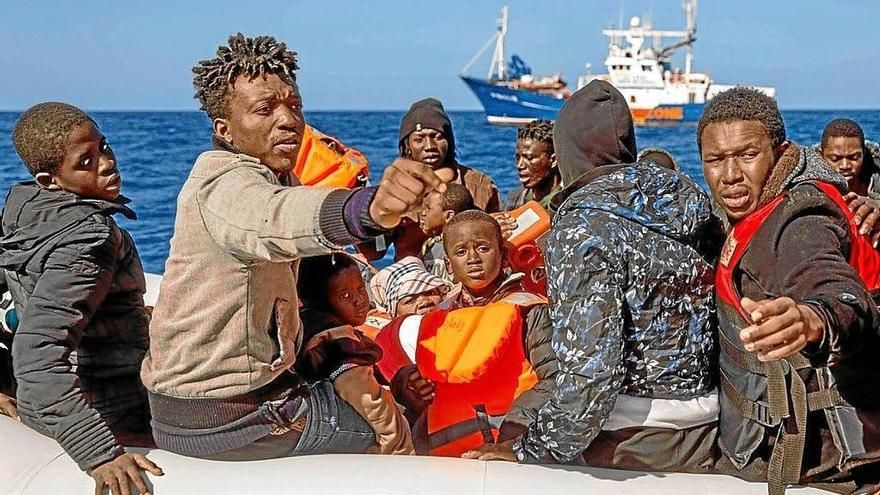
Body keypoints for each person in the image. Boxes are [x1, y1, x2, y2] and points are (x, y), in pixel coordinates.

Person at [140, 33, 443, 461]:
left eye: (294, 106)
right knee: (393, 423)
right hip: (225, 416)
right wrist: (369, 206)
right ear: (224, 130)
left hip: (219, 397)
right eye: (265, 109)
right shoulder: (223, 184)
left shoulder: (279, 176)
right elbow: (274, 218)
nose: (289, 121)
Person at [466, 81, 722, 474]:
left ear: (567, 153)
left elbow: (593, 371)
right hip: (702, 425)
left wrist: (532, 450)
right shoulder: (691, 212)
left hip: (629, 435)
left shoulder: (583, 228)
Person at [698, 87, 880, 493]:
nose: (729, 176)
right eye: (715, 160)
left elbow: (832, 284)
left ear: (779, 154)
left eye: (747, 156)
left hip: (824, 466)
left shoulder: (799, 219)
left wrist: (814, 317)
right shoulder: (753, 206)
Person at [0, 102, 162, 495]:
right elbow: (37, 355)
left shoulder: (24, 210)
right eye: (85, 161)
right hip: (107, 410)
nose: (106, 163)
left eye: (103, 148)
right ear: (50, 179)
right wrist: (100, 453)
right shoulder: (88, 240)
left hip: (47, 405)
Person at [376, 211, 556, 457]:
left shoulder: (529, 310)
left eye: (483, 248)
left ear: (503, 255)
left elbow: (557, 381)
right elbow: (424, 394)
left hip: (511, 455)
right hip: (447, 461)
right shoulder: (436, 320)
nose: (473, 259)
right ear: (448, 265)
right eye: (461, 252)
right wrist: (408, 388)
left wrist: (515, 443)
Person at [296, 254, 414, 455]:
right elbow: (368, 400)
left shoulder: (302, 326)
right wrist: (399, 449)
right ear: (319, 301)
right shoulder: (335, 338)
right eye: (344, 296)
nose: (359, 300)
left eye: (360, 289)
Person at [399, 98, 500, 213]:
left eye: (437, 137)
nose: (429, 146)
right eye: (418, 139)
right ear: (407, 146)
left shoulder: (480, 186)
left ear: (449, 140)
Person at [418, 183, 474, 281]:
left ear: (449, 216)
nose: (423, 212)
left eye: (428, 208)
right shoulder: (428, 247)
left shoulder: (465, 249)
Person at [505, 119, 561, 209]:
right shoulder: (514, 199)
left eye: (529, 158)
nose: (520, 165)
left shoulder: (568, 202)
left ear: (553, 160)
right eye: (517, 158)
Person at [819, 118, 880, 197]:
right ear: (821, 156)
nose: (845, 166)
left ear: (863, 154)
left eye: (854, 157)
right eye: (835, 159)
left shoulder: (877, 182)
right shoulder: (809, 189)